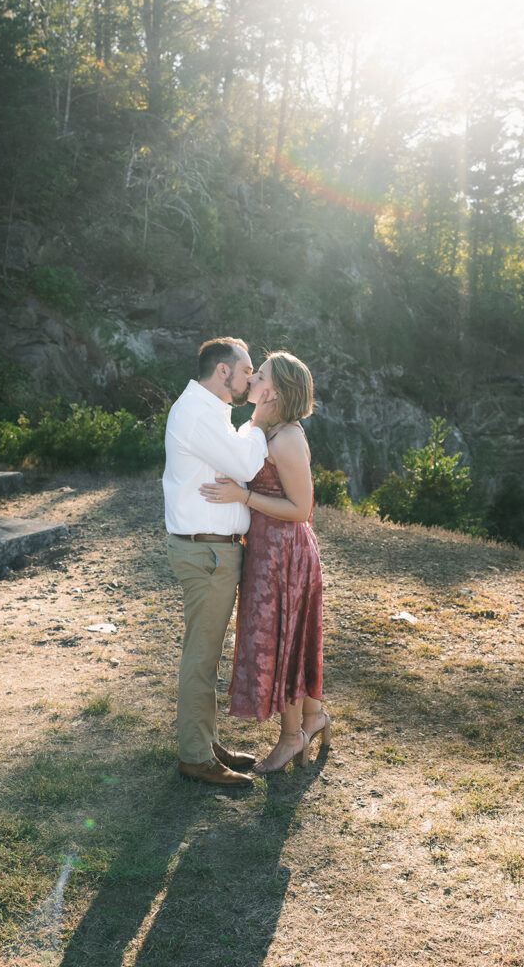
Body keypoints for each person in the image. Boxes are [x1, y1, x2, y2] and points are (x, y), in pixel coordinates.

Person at [199, 351, 330, 773]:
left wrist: (244, 498)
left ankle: (293, 736)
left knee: (285, 641)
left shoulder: (288, 437)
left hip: (286, 553)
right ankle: (314, 719)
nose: (252, 377)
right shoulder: (261, 428)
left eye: (260, 374)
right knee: (291, 639)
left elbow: (301, 508)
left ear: (273, 390)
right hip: (267, 550)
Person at [163, 337, 277, 787]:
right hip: (206, 552)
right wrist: (258, 420)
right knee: (202, 656)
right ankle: (194, 756)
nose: (252, 377)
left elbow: (237, 465)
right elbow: (247, 466)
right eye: (247, 369)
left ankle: (206, 741)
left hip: (214, 550)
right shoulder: (197, 413)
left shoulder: (209, 412)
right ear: (223, 371)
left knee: (207, 653)